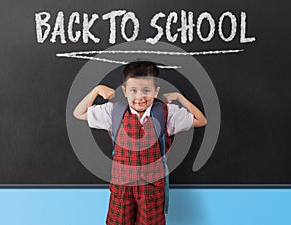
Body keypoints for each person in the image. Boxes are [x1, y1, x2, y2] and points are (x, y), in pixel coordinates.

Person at [73, 61, 207, 225]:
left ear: (156, 91)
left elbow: (201, 120)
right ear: (125, 91)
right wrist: (96, 90)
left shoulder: (165, 114)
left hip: (151, 189)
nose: (140, 97)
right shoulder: (114, 112)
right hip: (122, 187)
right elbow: (79, 113)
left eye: (146, 90)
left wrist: (180, 97)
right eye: (133, 90)